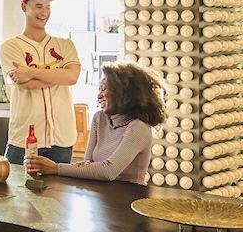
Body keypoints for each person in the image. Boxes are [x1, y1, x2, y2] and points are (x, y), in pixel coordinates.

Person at [0, 0, 81, 232]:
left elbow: (71, 77)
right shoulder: (11, 46)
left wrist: (33, 73)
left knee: (51, 215)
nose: (43, 12)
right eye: (37, 6)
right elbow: (24, 85)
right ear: (25, 7)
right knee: (23, 211)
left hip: (61, 139)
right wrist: (41, 75)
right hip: (24, 138)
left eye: (47, 6)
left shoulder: (65, 44)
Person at [26, 61, 165, 184]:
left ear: (124, 91)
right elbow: (87, 165)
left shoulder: (139, 127)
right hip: (101, 198)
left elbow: (108, 171)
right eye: (99, 89)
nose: (99, 95)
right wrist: (83, 167)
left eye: (104, 88)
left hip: (128, 202)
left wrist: (56, 168)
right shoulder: (99, 118)